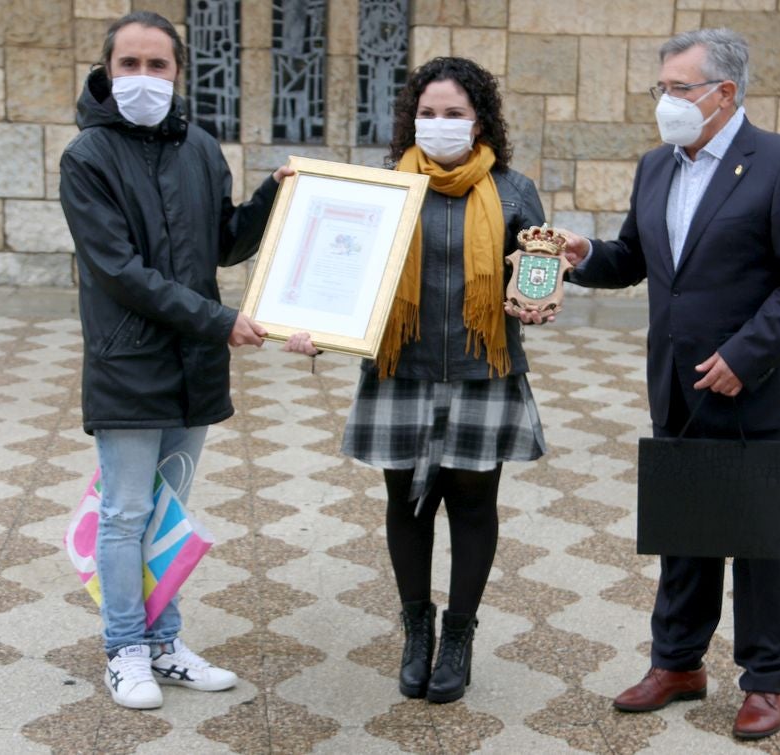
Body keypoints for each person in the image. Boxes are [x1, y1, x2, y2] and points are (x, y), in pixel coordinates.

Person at [561, 28, 780, 739]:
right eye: (662, 89)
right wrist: (583, 252)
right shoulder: (657, 166)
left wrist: (746, 355)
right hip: (678, 384)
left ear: (724, 93)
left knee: (756, 539)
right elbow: (634, 257)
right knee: (684, 530)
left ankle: (765, 678)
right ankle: (677, 661)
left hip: (757, 386)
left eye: (679, 89)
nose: (667, 103)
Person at [285, 57, 547, 704]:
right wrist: (309, 315)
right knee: (406, 503)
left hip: (483, 371)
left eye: (454, 113)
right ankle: (415, 628)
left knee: (473, 504)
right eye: (428, 113)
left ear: (480, 119)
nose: (440, 124)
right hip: (400, 368)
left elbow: (537, 270)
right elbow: (338, 265)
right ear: (410, 119)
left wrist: (536, 296)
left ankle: (458, 635)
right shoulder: (382, 188)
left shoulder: (515, 191)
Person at [59, 11, 292, 710]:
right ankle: (124, 647)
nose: (142, 77)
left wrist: (274, 196)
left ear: (178, 73)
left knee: (168, 515)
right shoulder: (86, 159)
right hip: (128, 363)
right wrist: (221, 321)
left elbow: (222, 243)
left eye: (157, 65)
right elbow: (120, 271)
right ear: (106, 71)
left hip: (191, 364)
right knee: (127, 512)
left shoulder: (199, 147)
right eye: (128, 64)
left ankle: (165, 641)